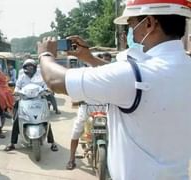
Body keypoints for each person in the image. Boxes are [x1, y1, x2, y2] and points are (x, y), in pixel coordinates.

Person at [37, 0, 191, 179]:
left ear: (149, 23)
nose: (129, 32)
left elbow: (55, 80)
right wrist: (89, 58)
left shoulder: (135, 74)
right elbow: (125, 79)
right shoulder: (180, 67)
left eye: (131, 24)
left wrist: (45, 54)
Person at [4, 59, 58, 152]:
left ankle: (52, 143)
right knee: (17, 119)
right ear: (24, 68)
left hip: (39, 100)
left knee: (45, 119)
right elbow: (17, 86)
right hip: (24, 100)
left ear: (34, 67)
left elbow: (45, 86)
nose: (29, 68)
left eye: (31, 66)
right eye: (27, 66)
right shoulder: (21, 77)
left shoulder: (40, 76)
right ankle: (12, 143)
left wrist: (47, 90)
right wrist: (16, 92)